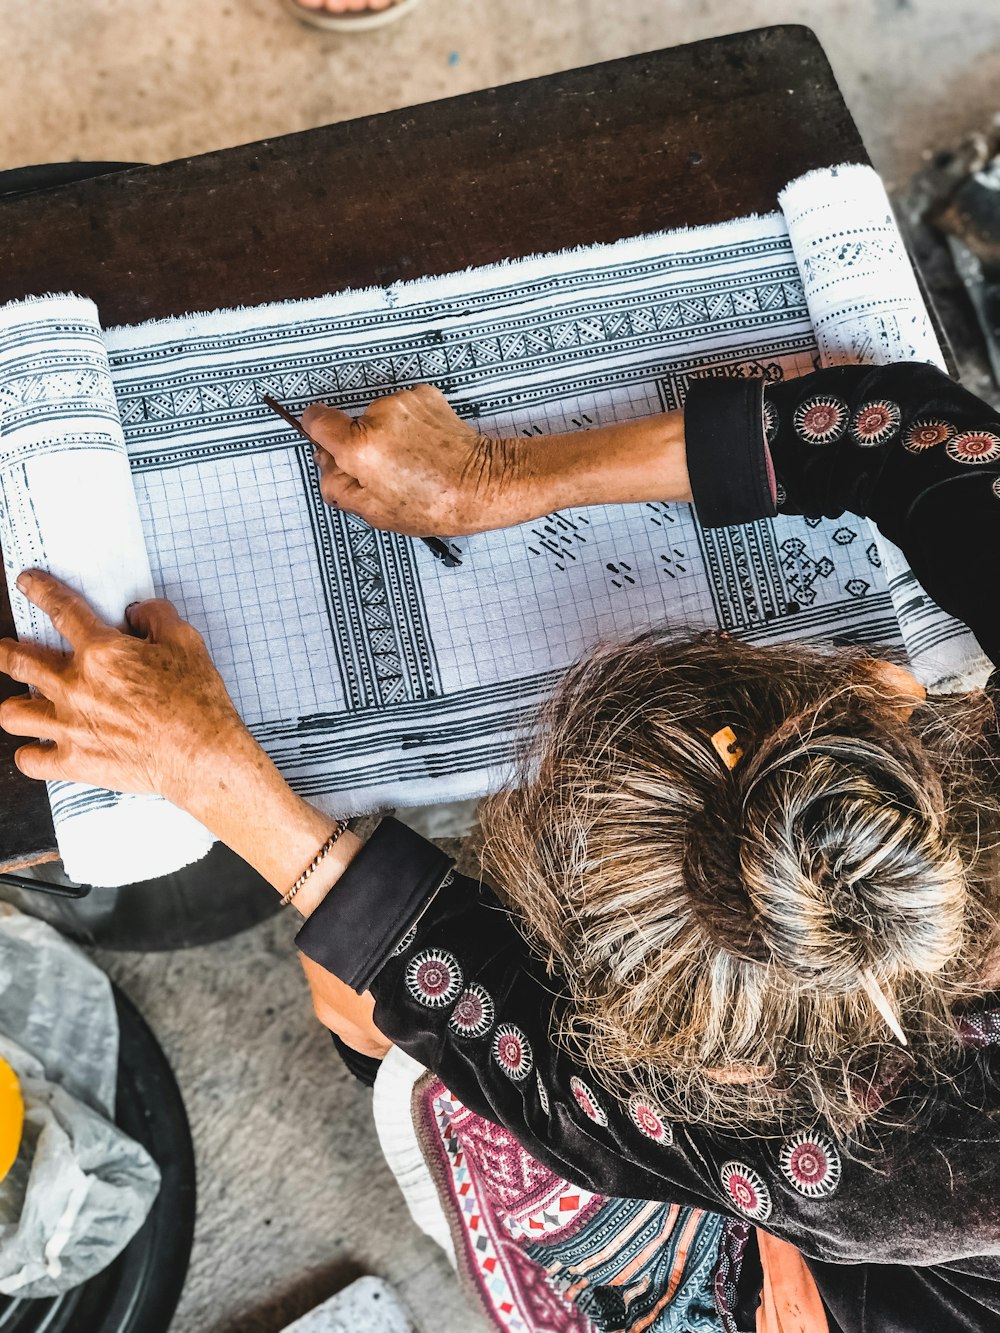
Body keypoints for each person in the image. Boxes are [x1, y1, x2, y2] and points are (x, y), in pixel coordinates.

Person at [2, 359, 1000, 1332]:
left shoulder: (895, 1173)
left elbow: (559, 1087)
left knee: (364, 1009)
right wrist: (500, 475)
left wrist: (208, 768)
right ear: (886, 692)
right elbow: (906, 442)